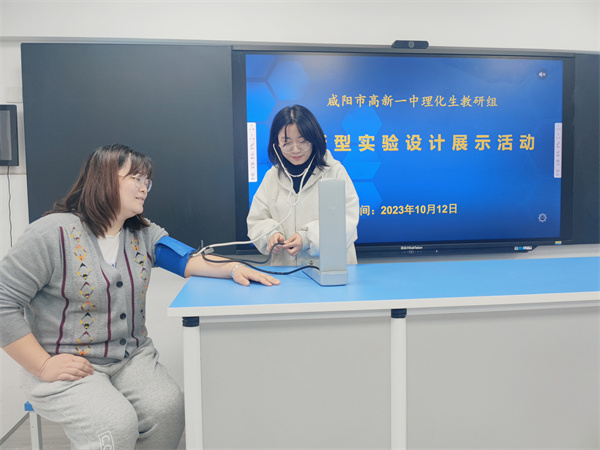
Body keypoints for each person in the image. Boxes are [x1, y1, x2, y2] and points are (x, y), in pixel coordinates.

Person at [0, 144, 279, 450]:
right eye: (136, 178)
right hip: (67, 362)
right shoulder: (50, 234)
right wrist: (42, 365)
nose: (144, 188)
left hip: (130, 357)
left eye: (147, 181)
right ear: (104, 178)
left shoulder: (143, 233)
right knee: (113, 424)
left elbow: (188, 261)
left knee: (168, 410)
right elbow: (3, 301)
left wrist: (235, 268)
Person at [247, 105, 359, 266]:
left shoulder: (334, 172)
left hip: (330, 270)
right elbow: (256, 220)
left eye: (303, 141)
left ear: (314, 139)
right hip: (286, 272)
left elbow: (347, 221)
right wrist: (270, 235)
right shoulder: (272, 177)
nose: (295, 150)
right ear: (276, 143)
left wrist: (308, 238)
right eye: (286, 143)